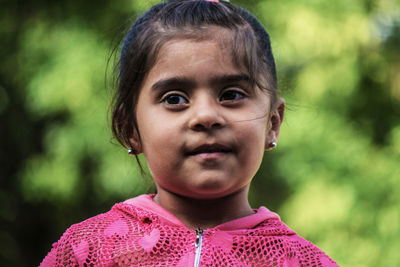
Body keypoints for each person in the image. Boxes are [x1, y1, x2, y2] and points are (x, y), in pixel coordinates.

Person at [40, 0, 338, 266]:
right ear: (130, 128)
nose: (206, 116)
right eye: (174, 99)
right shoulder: (88, 251)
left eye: (231, 95)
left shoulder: (301, 261)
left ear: (272, 122)